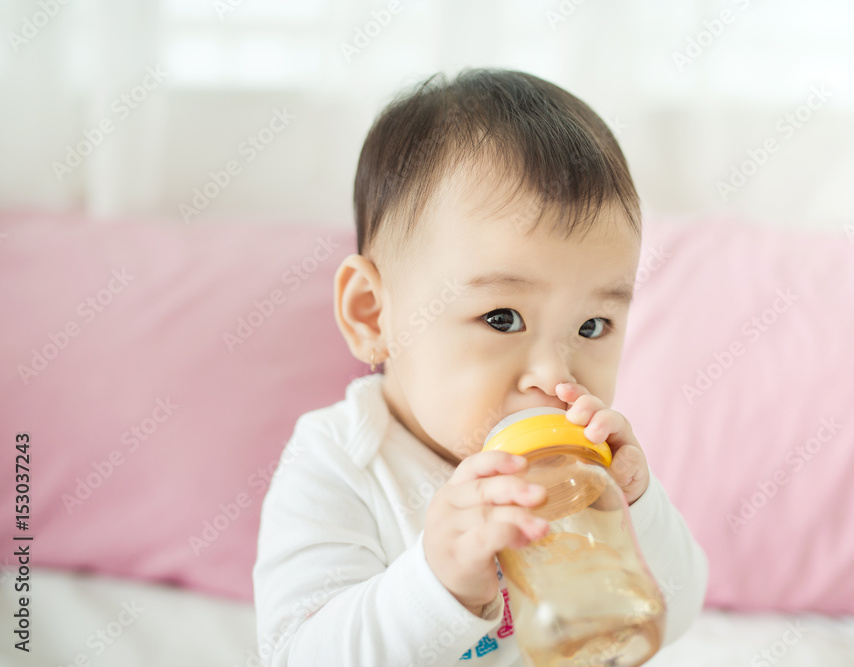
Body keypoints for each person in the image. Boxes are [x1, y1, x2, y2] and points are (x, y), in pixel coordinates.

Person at [253, 68, 709, 666]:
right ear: (372, 315)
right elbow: (297, 656)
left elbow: (671, 618)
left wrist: (636, 509)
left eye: (591, 326)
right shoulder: (339, 462)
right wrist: (437, 584)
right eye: (501, 318)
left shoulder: (579, 475)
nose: (553, 374)